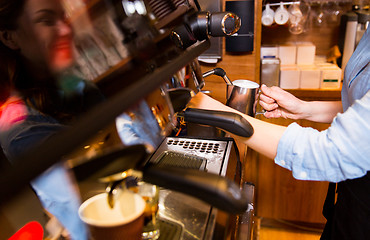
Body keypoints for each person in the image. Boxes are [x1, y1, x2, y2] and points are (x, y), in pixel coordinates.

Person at [189, 27, 369, 239]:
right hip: (351, 190)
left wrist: (215, 110)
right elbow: (359, 109)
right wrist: (304, 108)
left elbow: (333, 152)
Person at [0, 0, 103, 239]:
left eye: (64, 18)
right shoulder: (20, 130)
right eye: (46, 20)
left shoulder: (73, 87)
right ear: (9, 37)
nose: (66, 29)